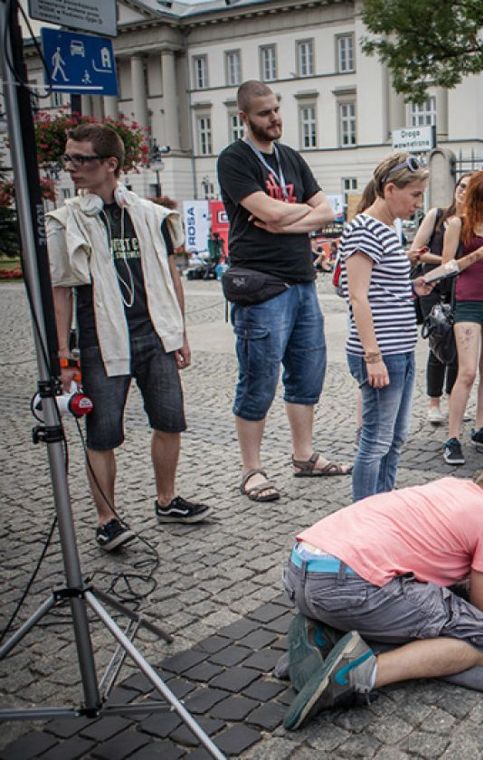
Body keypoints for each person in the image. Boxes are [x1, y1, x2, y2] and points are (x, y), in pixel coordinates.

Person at [280, 454, 483, 730]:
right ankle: (359, 673)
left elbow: (482, 570)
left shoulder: (451, 488)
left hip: (300, 568)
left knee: (400, 593)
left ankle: (323, 628)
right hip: (348, 586)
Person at [47, 124, 210, 551]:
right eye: (69, 158)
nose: (71, 167)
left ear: (110, 164)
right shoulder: (68, 221)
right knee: (102, 433)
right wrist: (64, 355)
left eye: (80, 159)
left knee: (170, 420)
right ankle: (107, 519)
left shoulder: (149, 214)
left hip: (155, 335)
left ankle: (167, 499)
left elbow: (171, 275)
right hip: (103, 338)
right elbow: (60, 288)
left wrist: (179, 333)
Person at [217, 80, 345, 502]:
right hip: (261, 285)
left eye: (276, 110)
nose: (274, 118)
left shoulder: (291, 157)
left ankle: (303, 456)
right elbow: (267, 210)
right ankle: (251, 470)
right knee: (258, 378)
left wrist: (283, 220)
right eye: (264, 113)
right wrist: (298, 214)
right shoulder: (235, 159)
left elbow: (327, 212)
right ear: (244, 118)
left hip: (303, 281)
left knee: (307, 375)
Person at [338, 153, 431, 500]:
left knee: (394, 437)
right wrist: (372, 356)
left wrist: (413, 287)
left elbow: (380, 288)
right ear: (390, 189)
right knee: (375, 440)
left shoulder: (387, 228)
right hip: (382, 352)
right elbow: (357, 297)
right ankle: (363, 516)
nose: (418, 204)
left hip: (400, 348)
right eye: (415, 195)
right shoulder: (364, 228)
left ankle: (384, 505)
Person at [439, 170, 483, 466]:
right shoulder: (458, 224)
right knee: (467, 371)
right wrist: (475, 256)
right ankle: (452, 436)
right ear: (474, 199)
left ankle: (480, 427)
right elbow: (446, 267)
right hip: (468, 301)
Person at [409, 173, 471, 425]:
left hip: (461, 289)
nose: (463, 191)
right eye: (461, 186)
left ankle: (453, 400)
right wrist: (446, 261)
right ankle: (433, 403)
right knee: (439, 344)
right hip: (432, 287)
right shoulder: (437, 215)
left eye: (469, 188)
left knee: (459, 348)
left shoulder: (474, 223)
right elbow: (415, 252)